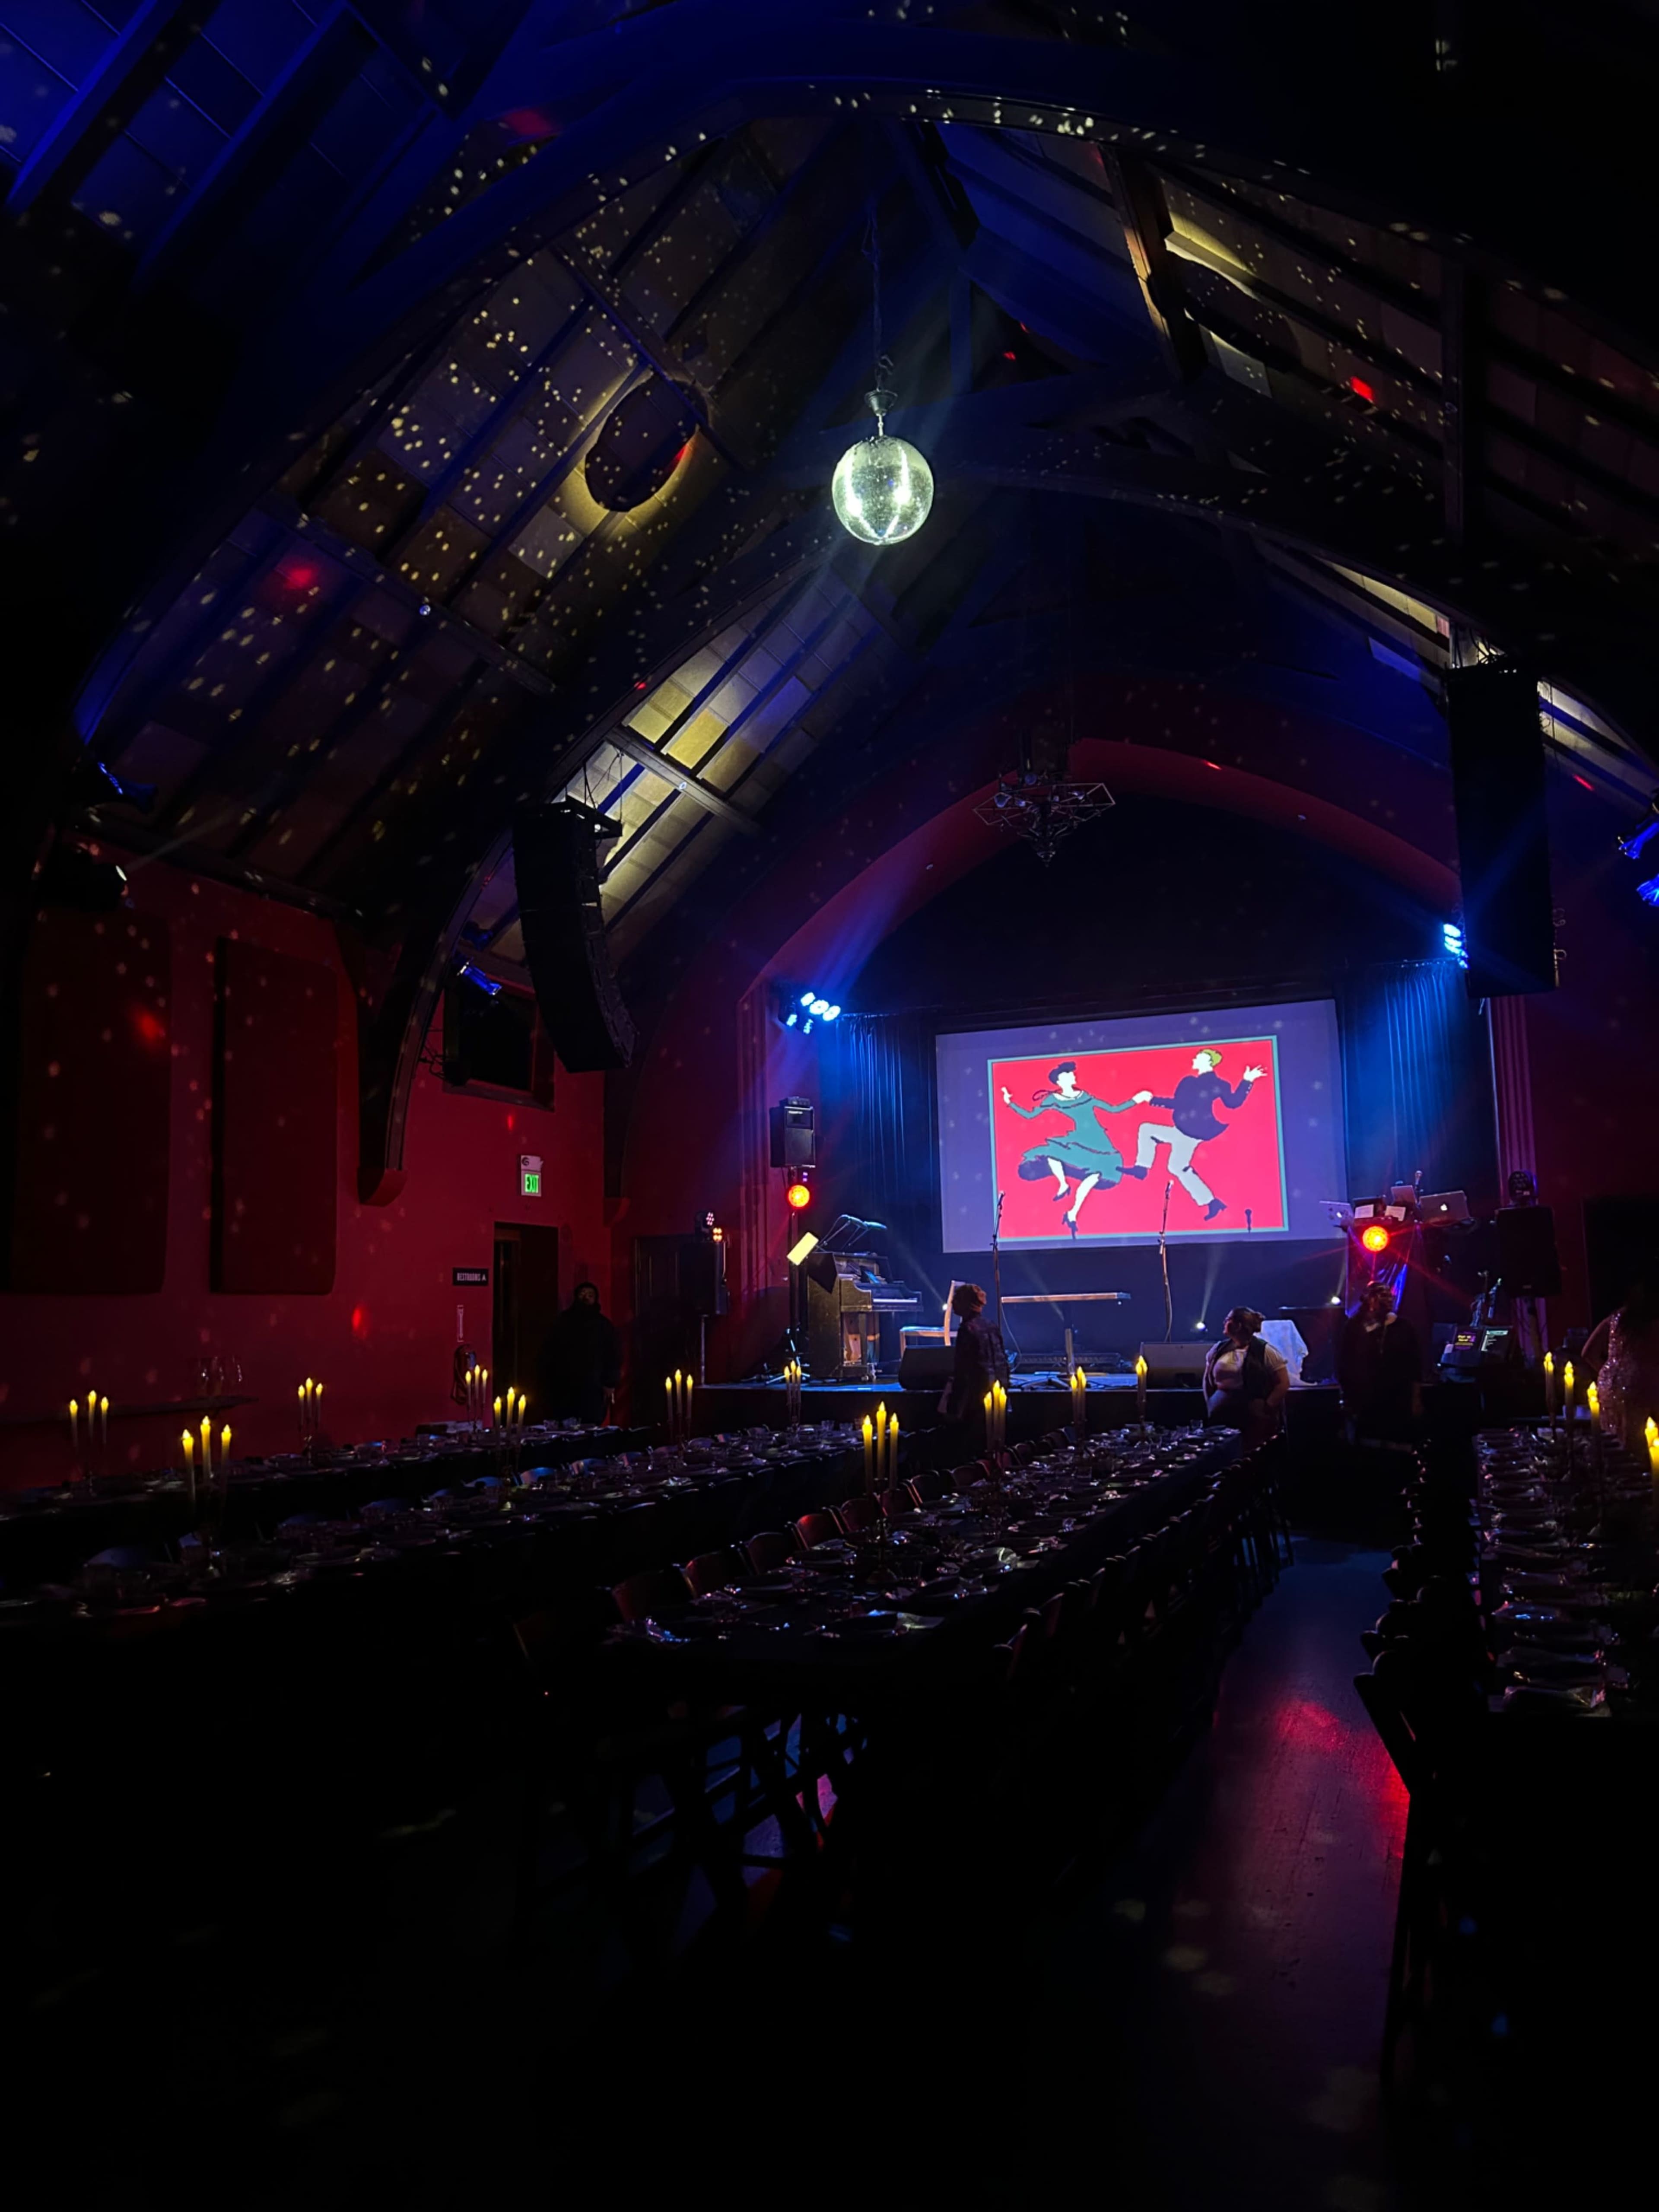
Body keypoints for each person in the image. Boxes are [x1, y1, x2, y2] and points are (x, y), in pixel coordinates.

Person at [1001, 1061, 1153, 1237]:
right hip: (1079, 1140)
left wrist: (1137, 1099)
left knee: (1095, 1176)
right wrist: (1009, 1103)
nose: (1074, 1076)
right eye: (1069, 1074)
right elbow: (1030, 1115)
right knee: (1051, 1152)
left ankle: (1072, 1213)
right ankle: (1063, 1184)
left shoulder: (1085, 1096)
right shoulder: (1052, 1100)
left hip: (1098, 1141)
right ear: (1060, 1080)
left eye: (1073, 1073)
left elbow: (1113, 1109)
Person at [1124, 1047, 1265, 1223]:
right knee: (1150, 1133)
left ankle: (1211, 1202)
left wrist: (1247, 1081)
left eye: (1199, 1057)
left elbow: (1233, 1103)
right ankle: (1142, 1169)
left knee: (1174, 1163)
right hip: (1181, 1130)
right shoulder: (1189, 1082)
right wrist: (1152, 1100)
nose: (1194, 1060)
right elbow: (1179, 1104)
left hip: (1191, 1132)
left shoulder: (1218, 1084)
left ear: (1208, 1061)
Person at [1336, 1280, 1422, 1441]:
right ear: (1369, 1300)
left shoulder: (1404, 1327)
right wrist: (1347, 1399)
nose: (1387, 1301)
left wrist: (1416, 1399)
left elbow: (1415, 1365)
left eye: (1389, 1297)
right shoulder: (1354, 1327)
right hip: (1364, 1401)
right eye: (1380, 1297)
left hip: (1397, 1399)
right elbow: (1344, 1364)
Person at [938, 1282, 1010, 1454]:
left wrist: (953, 1406)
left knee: (975, 1447)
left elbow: (962, 1370)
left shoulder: (967, 1330)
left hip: (977, 1396)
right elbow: (1003, 1361)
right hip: (999, 1393)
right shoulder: (992, 1326)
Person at [536, 1281, 622, 1424]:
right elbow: (550, 1352)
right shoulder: (563, 1321)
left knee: (591, 1426)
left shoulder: (603, 1325)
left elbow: (614, 1355)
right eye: (583, 1294)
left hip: (593, 1386)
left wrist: (610, 1383)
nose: (586, 1298)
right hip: (565, 1385)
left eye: (591, 1295)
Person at [1203, 1306, 1289, 1447]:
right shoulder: (1218, 1350)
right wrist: (1211, 1403)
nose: (1225, 1322)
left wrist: (1267, 1407)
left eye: (1229, 1320)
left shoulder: (1265, 1351)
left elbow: (1283, 1383)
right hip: (1221, 1411)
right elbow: (1207, 1379)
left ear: (1239, 1326)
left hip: (1252, 1413)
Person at [1593, 1282, 1659, 1450]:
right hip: (1642, 1384)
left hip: (1609, 1384)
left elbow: (1588, 1352)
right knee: (1642, 1446)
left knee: (1614, 1443)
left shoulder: (1615, 1319)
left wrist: (1610, 1372)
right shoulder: (1652, 1323)